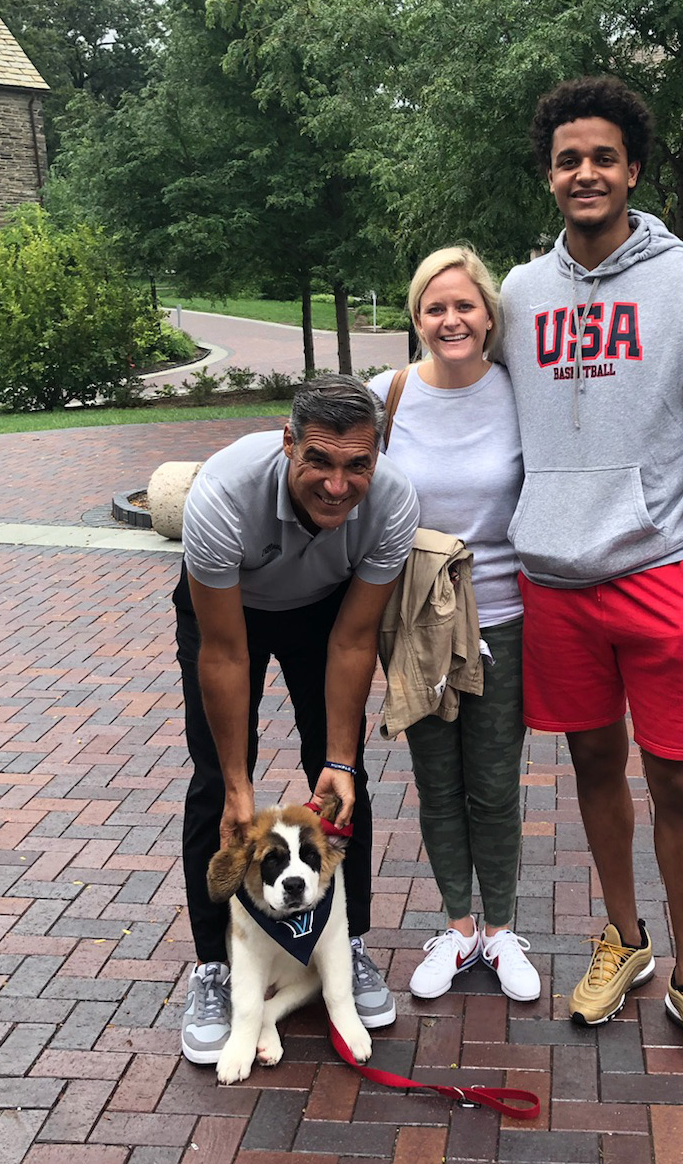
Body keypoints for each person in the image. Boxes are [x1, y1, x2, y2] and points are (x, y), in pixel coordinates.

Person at [499, 76, 683, 1078]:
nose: (586, 172)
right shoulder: (521, 293)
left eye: (603, 156)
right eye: (569, 158)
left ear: (633, 169)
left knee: (678, 780)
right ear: (550, 174)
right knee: (594, 769)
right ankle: (624, 936)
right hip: (557, 580)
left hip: (660, 578)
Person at [175, 374, 420, 1064]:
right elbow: (224, 653)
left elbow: (352, 639)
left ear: (377, 455)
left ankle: (352, 943)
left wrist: (338, 758)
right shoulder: (222, 496)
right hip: (229, 610)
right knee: (215, 790)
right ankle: (215, 968)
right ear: (288, 444)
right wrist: (237, 785)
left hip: (324, 610)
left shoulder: (394, 501)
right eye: (320, 461)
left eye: (357, 465)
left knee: (343, 778)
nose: (339, 485)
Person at [368, 247, 539, 1003]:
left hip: (503, 615)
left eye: (464, 306)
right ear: (416, 318)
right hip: (416, 624)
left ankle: (501, 931)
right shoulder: (389, 397)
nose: (451, 320)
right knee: (437, 782)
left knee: (495, 784)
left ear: (489, 314)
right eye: (435, 308)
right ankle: (459, 926)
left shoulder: (520, 394)